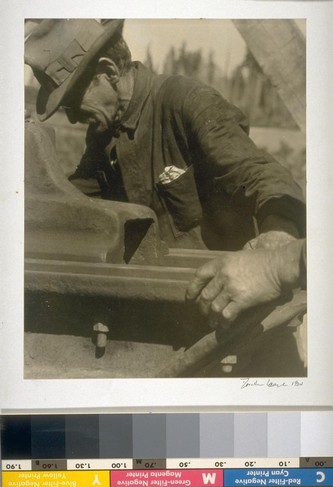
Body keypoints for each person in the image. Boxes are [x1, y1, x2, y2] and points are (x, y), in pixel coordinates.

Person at [25, 19, 306, 371]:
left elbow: (262, 174)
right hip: (168, 324)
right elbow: (71, 203)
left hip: (240, 329)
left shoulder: (186, 102)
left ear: (108, 71)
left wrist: (278, 236)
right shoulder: (104, 135)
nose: (70, 119)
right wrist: (28, 163)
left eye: (71, 101)